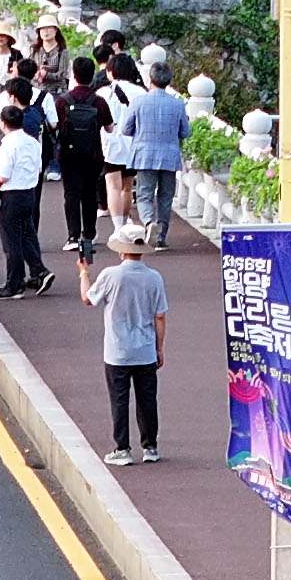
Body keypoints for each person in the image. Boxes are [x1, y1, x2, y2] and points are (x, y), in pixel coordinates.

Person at [83, 224, 168, 468]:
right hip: (145, 349)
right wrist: (159, 348)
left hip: (117, 351)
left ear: (121, 251)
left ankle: (122, 448)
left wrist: (84, 273)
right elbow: (160, 316)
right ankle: (150, 446)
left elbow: (87, 299)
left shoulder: (111, 275)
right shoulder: (154, 278)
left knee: (119, 400)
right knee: (147, 399)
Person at [52, 58, 112, 264]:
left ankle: (72, 236)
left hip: (68, 155)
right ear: (92, 75)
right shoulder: (99, 101)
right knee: (89, 194)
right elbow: (109, 127)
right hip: (93, 154)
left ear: (74, 75)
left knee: (71, 193)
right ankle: (89, 234)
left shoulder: (63, 101)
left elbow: (54, 125)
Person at [126, 58, 186, 249]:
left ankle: (148, 222)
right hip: (169, 154)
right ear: (169, 80)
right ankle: (161, 236)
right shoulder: (177, 104)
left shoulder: (139, 102)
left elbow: (126, 129)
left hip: (145, 154)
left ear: (150, 79)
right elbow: (185, 131)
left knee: (144, 194)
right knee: (166, 195)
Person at [0, 104, 48, 300]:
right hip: (29, 194)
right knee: (25, 235)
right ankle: (38, 271)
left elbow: (4, 175)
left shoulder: (7, 144)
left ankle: (14, 284)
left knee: (11, 241)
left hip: (12, 196)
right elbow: (39, 167)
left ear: (3, 123)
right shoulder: (33, 142)